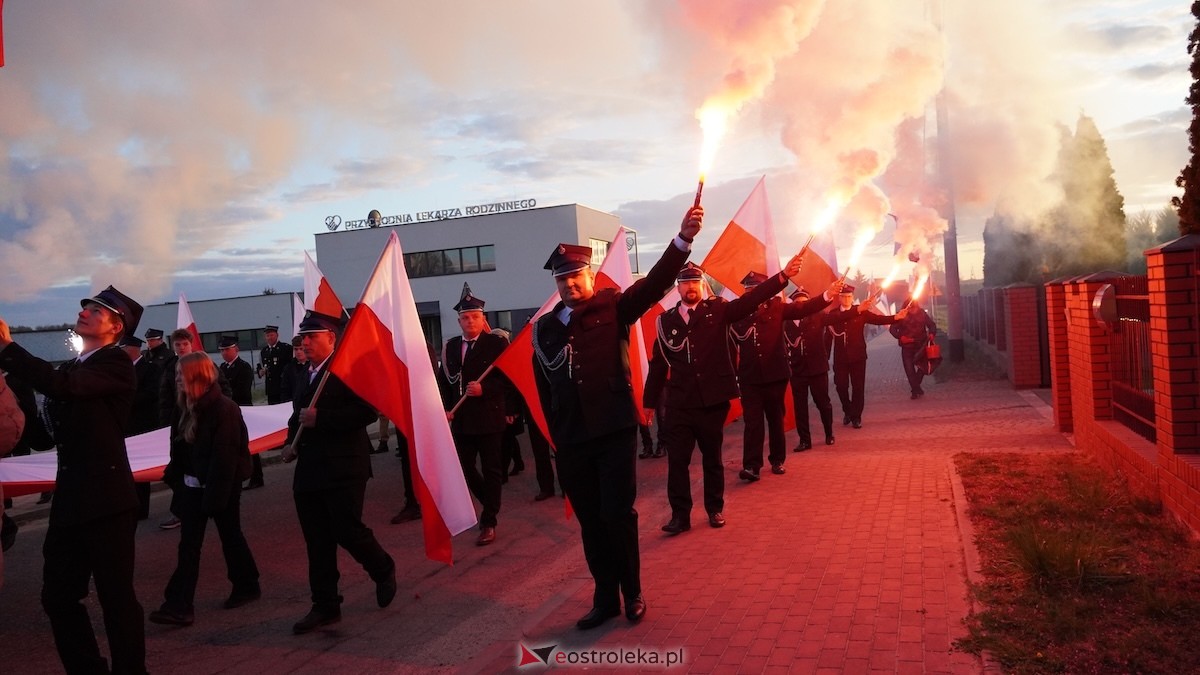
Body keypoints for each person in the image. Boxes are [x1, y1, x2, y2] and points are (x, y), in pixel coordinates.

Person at [532, 205, 702, 630]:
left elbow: (658, 281)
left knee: (617, 515)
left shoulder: (615, 307)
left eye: (576, 276)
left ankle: (633, 592)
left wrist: (682, 240)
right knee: (591, 521)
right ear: (555, 284)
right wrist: (557, 437)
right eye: (562, 279)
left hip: (612, 432)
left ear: (589, 276)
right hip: (572, 441)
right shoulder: (545, 329)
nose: (570, 284)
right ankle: (604, 597)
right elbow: (545, 388)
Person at [0, 286, 148, 675]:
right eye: (85, 307)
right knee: (58, 597)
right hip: (71, 502)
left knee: (117, 599)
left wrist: (9, 349)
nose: (85, 312)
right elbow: (43, 435)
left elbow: (62, 389)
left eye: (96, 310)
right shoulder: (71, 368)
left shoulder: (115, 364)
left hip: (107, 502)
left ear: (116, 326)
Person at [644, 258, 811, 534]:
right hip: (680, 404)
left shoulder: (718, 311)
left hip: (711, 402)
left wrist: (781, 277)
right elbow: (659, 364)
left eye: (694, 282)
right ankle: (680, 516)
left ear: (703, 285)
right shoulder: (666, 322)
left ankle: (714, 508)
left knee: (712, 459)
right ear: (678, 288)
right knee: (677, 462)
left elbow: (750, 300)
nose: (690, 287)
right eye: (684, 283)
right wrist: (650, 402)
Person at [280, 310, 397, 635]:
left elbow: (365, 412)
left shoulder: (347, 370)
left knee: (347, 530)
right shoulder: (305, 374)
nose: (306, 342)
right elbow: (298, 416)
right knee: (317, 540)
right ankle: (325, 605)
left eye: (312, 337)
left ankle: (382, 567)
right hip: (310, 470)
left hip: (345, 466)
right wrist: (290, 444)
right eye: (304, 337)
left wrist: (323, 419)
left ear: (331, 338)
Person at [149, 352, 260, 626]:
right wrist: (174, 478)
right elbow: (179, 451)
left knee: (230, 536)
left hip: (222, 486)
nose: (176, 380)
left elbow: (225, 459)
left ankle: (246, 585)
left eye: (180, 375)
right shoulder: (183, 406)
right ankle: (179, 604)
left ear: (196, 376)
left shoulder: (225, 409)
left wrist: (213, 498)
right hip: (192, 486)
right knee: (189, 545)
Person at [730, 270, 837, 480]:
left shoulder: (777, 308)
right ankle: (752, 466)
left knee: (775, 420)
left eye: (756, 291)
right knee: (752, 423)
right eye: (749, 291)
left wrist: (826, 295)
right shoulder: (738, 312)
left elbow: (803, 308)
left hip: (774, 375)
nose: (752, 295)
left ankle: (777, 459)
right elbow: (730, 345)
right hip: (749, 377)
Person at [439, 290, 515, 546]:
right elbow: (445, 382)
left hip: (488, 417)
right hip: (461, 419)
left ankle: (489, 520)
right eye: (465, 318)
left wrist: (486, 390)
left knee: (492, 469)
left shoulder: (496, 344)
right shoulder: (450, 347)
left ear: (483, 319)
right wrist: (446, 408)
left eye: (474, 317)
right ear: (459, 321)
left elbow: (507, 380)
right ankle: (490, 503)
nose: (470, 322)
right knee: (465, 468)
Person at [826, 286, 907, 429]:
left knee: (858, 388)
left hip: (858, 356)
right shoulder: (833, 314)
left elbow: (878, 319)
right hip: (841, 358)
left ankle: (856, 416)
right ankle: (848, 410)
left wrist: (896, 317)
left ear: (852, 297)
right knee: (841, 386)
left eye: (849, 296)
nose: (846, 299)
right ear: (839, 298)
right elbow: (827, 336)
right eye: (843, 296)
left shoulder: (861, 311)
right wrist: (825, 356)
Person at [784, 288, 836, 451]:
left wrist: (857, 310)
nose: (801, 306)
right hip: (797, 370)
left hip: (817, 368)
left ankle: (829, 433)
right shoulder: (786, 322)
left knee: (823, 403)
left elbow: (838, 316)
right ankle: (805, 440)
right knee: (800, 407)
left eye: (804, 303)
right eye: (798, 303)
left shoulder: (818, 316)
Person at [120, 335, 159, 521]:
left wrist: (127, 400)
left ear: (133, 349)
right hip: (126, 425)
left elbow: (152, 394)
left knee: (142, 468)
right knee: (129, 469)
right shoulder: (121, 370)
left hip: (144, 425)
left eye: (123, 348)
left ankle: (142, 508)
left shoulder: (150, 368)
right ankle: (132, 504)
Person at [219, 336, 262, 489]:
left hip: (242, 409)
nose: (224, 353)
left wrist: (225, 399)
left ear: (236, 349)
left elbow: (242, 391)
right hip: (227, 412)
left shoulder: (243, 367)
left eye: (227, 349)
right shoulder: (222, 368)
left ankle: (257, 476)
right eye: (222, 350)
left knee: (249, 445)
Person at [889, 298, 938, 399]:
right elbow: (892, 329)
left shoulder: (922, 313)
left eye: (914, 308)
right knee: (909, 370)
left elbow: (931, 325)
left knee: (922, 367)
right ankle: (916, 390)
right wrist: (901, 337)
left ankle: (915, 389)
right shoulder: (901, 315)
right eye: (910, 308)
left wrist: (932, 333)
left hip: (921, 345)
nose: (912, 310)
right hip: (907, 346)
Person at [257, 325, 288, 404]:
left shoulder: (285, 348)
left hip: (282, 386)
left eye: (272, 335)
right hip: (271, 388)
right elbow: (260, 365)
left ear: (277, 335)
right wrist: (260, 372)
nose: (270, 338)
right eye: (267, 336)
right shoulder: (264, 351)